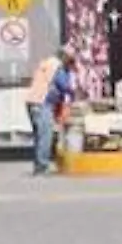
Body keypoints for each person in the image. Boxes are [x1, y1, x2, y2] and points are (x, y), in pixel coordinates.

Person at [28, 46, 78, 177]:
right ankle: (42, 168)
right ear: (65, 57)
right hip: (42, 103)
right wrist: (74, 93)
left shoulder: (48, 62)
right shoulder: (57, 66)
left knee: (39, 136)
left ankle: (38, 166)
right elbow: (63, 85)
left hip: (33, 102)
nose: (71, 63)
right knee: (46, 136)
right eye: (70, 60)